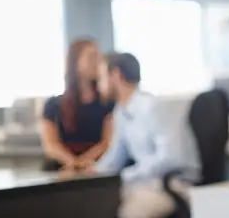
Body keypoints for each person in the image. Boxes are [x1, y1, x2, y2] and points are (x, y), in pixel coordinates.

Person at [90, 53, 201, 218]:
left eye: (101, 78)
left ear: (115, 75)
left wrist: (128, 175)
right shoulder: (121, 112)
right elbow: (115, 156)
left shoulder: (152, 107)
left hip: (172, 184)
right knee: (94, 203)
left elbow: (170, 158)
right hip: (145, 183)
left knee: (128, 213)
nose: (98, 86)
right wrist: (91, 172)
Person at [40, 38, 114, 172]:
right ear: (75, 61)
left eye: (99, 57)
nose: (97, 63)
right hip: (60, 169)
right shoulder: (53, 104)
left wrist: (83, 162)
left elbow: (107, 142)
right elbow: (50, 144)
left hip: (96, 168)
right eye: (92, 57)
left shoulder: (108, 104)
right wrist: (72, 162)